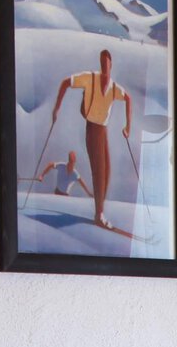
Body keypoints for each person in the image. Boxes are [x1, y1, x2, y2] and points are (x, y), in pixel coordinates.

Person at [51, 50, 132, 230]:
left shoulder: (113, 87)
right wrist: (56, 109)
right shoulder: (90, 78)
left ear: (111, 65)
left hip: (103, 130)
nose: (104, 67)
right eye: (102, 63)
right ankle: (99, 215)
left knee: (106, 170)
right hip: (93, 129)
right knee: (99, 170)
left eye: (107, 63)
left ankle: (100, 211)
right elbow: (65, 83)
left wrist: (128, 126)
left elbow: (128, 98)